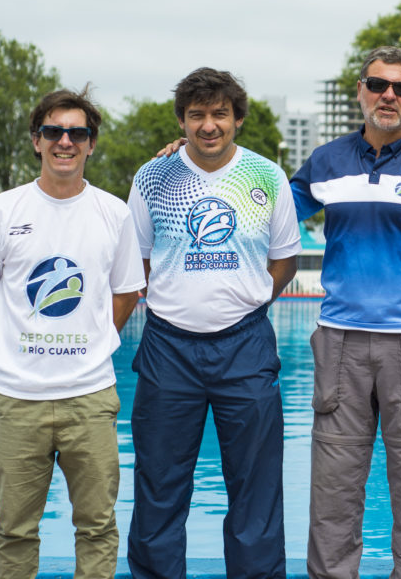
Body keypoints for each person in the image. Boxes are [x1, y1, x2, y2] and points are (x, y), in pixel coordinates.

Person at [289, 45, 401, 579]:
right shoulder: (325, 161)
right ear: (360, 92)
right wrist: (192, 158)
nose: (389, 96)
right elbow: (267, 215)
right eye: (378, 85)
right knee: (332, 494)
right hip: (340, 340)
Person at [125, 68, 301, 579]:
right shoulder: (153, 177)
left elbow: (284, 260)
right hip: (168, 348)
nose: (208, 125)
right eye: (197, 114)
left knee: (256, 488)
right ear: (182, 120)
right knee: (159, 485)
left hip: (244, 346)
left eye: (219, 114)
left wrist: (245, 302)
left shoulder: (266, 177)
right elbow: (135, 260)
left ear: (237, 120)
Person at [0, 87, 145, 578]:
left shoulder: (114, 213)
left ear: (91, 144)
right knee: (15, 529)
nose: (65, 141)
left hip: (90, 395)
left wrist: (96, 342)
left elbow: (127, 292)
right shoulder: (1, 211)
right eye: (53, 131)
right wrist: (12, 342)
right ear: (37, 141)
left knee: (98, 525)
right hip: (19, 397)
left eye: (77, 133)